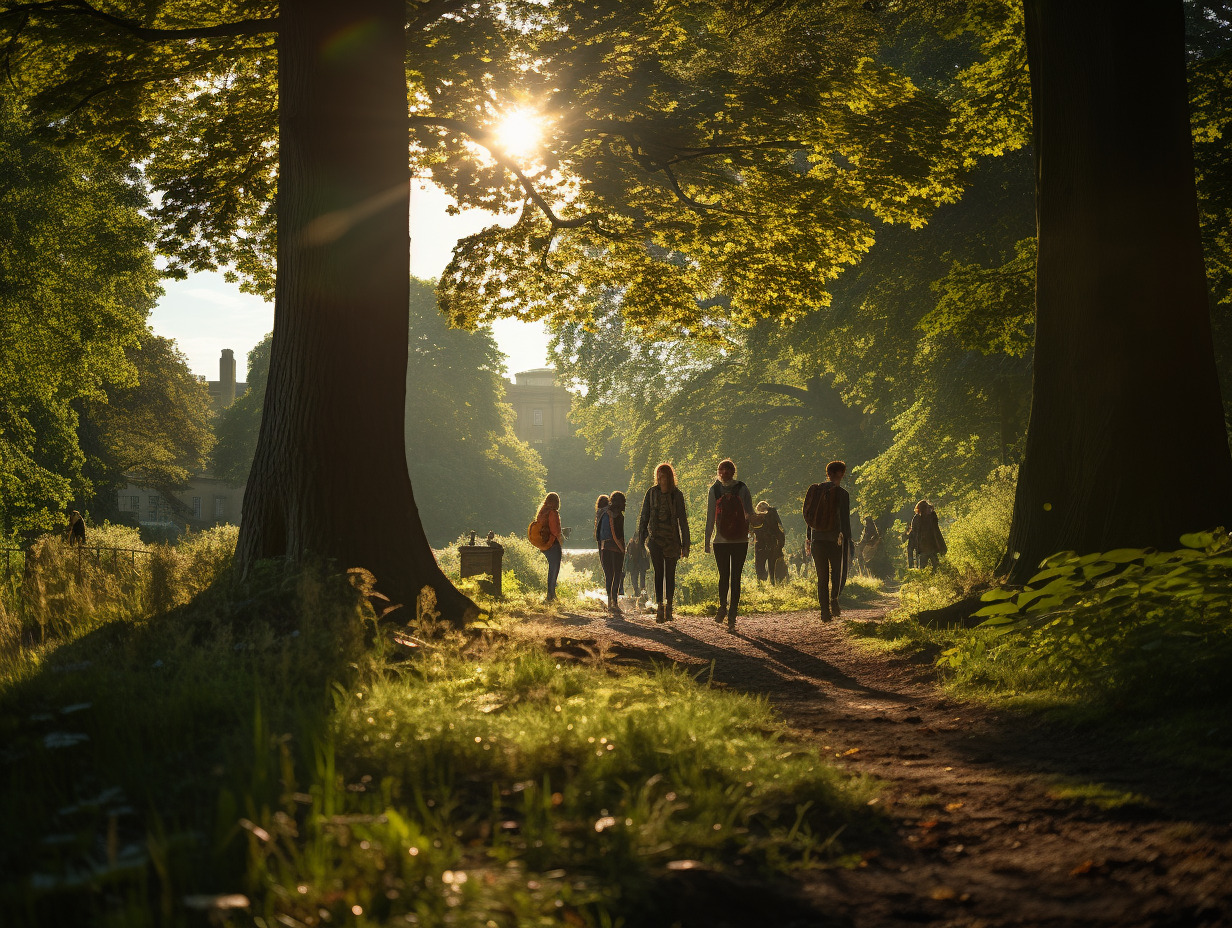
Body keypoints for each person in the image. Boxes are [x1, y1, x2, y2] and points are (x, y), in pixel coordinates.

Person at [635, 462, 690, 623]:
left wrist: (686, 545)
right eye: (658, 475)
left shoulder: (677, 495)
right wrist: (641, 538)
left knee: (670, 574)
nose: (661, 478)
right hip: (655, 540)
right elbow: (644, 516)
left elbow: (683, 522)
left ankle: (670, 606)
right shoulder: (651, 493)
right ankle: (660, 606)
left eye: (664, 475)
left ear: (669, 477)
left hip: (672, 541)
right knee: (658, 572)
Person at [704, 459, 755, 631]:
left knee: (724, 577)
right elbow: (750, 513)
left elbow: (710, 516)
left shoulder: (714, 489)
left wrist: (707, 540)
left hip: (721, 541)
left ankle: (723, 609)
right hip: (740, 540)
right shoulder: (742, 488)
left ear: (731, 471)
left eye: (726, 469)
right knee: (734, 578)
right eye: (722, 469)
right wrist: (754, 532)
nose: (724, 472)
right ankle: (731, 614)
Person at [805, 460, 853, 620]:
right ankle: (834, 600)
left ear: (828, 473)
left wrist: (809, 538)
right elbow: (845, 520)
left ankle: (824, 612)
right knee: (837, 573)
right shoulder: (843, 494)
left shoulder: (816, 491)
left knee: (822, 577)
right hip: (836, 540)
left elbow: (810, 518)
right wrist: (848, 540)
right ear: (841, 473)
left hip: (817, 539)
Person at [598, 491, 627, 615]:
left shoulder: (604, 514)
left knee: (608, 575)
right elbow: (619, 535)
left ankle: (609, 603)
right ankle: (615, 603)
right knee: (617, 575)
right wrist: (622, 549)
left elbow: (598, 534)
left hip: (605, 548)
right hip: (616, 550)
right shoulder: (619, 516)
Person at [536, 492, 564, 603]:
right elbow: (555, 531)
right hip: (552, 543)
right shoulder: (553, 513)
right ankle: (551, 595)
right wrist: (560, 538)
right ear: (556, 502)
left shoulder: (542, 512)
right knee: (554, 569)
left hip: (544, 544)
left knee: (551, 568)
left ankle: (551, 594)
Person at [751, 500, 786, 585]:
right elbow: (780, 530)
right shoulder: (773, 515)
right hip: (772, 543)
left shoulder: (758, 518)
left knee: (760, 564)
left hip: (762, 544)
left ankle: (762, 582)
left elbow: (752, 531)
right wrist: (780, 545)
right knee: (772, 564)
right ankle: (772, 582)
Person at [916, 500, 947, 570]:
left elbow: (935, 532)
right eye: (927, 508)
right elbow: (917, 534)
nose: (929, 510)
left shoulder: (932, 517)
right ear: (923, 510)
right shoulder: (919, 519)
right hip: (924, 547)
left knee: (936, 565)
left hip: (933, 546)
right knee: (923, 567)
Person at [625, 533, 649, 600]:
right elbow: (628, 554)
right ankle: (637, 591)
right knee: (634, 579)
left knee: (642, 578)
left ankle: (642, 592)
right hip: (634, 564)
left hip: (641, 564)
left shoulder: (642, 545)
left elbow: (645, 555)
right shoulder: (630, 544)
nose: (636, 540)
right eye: (635, 538)